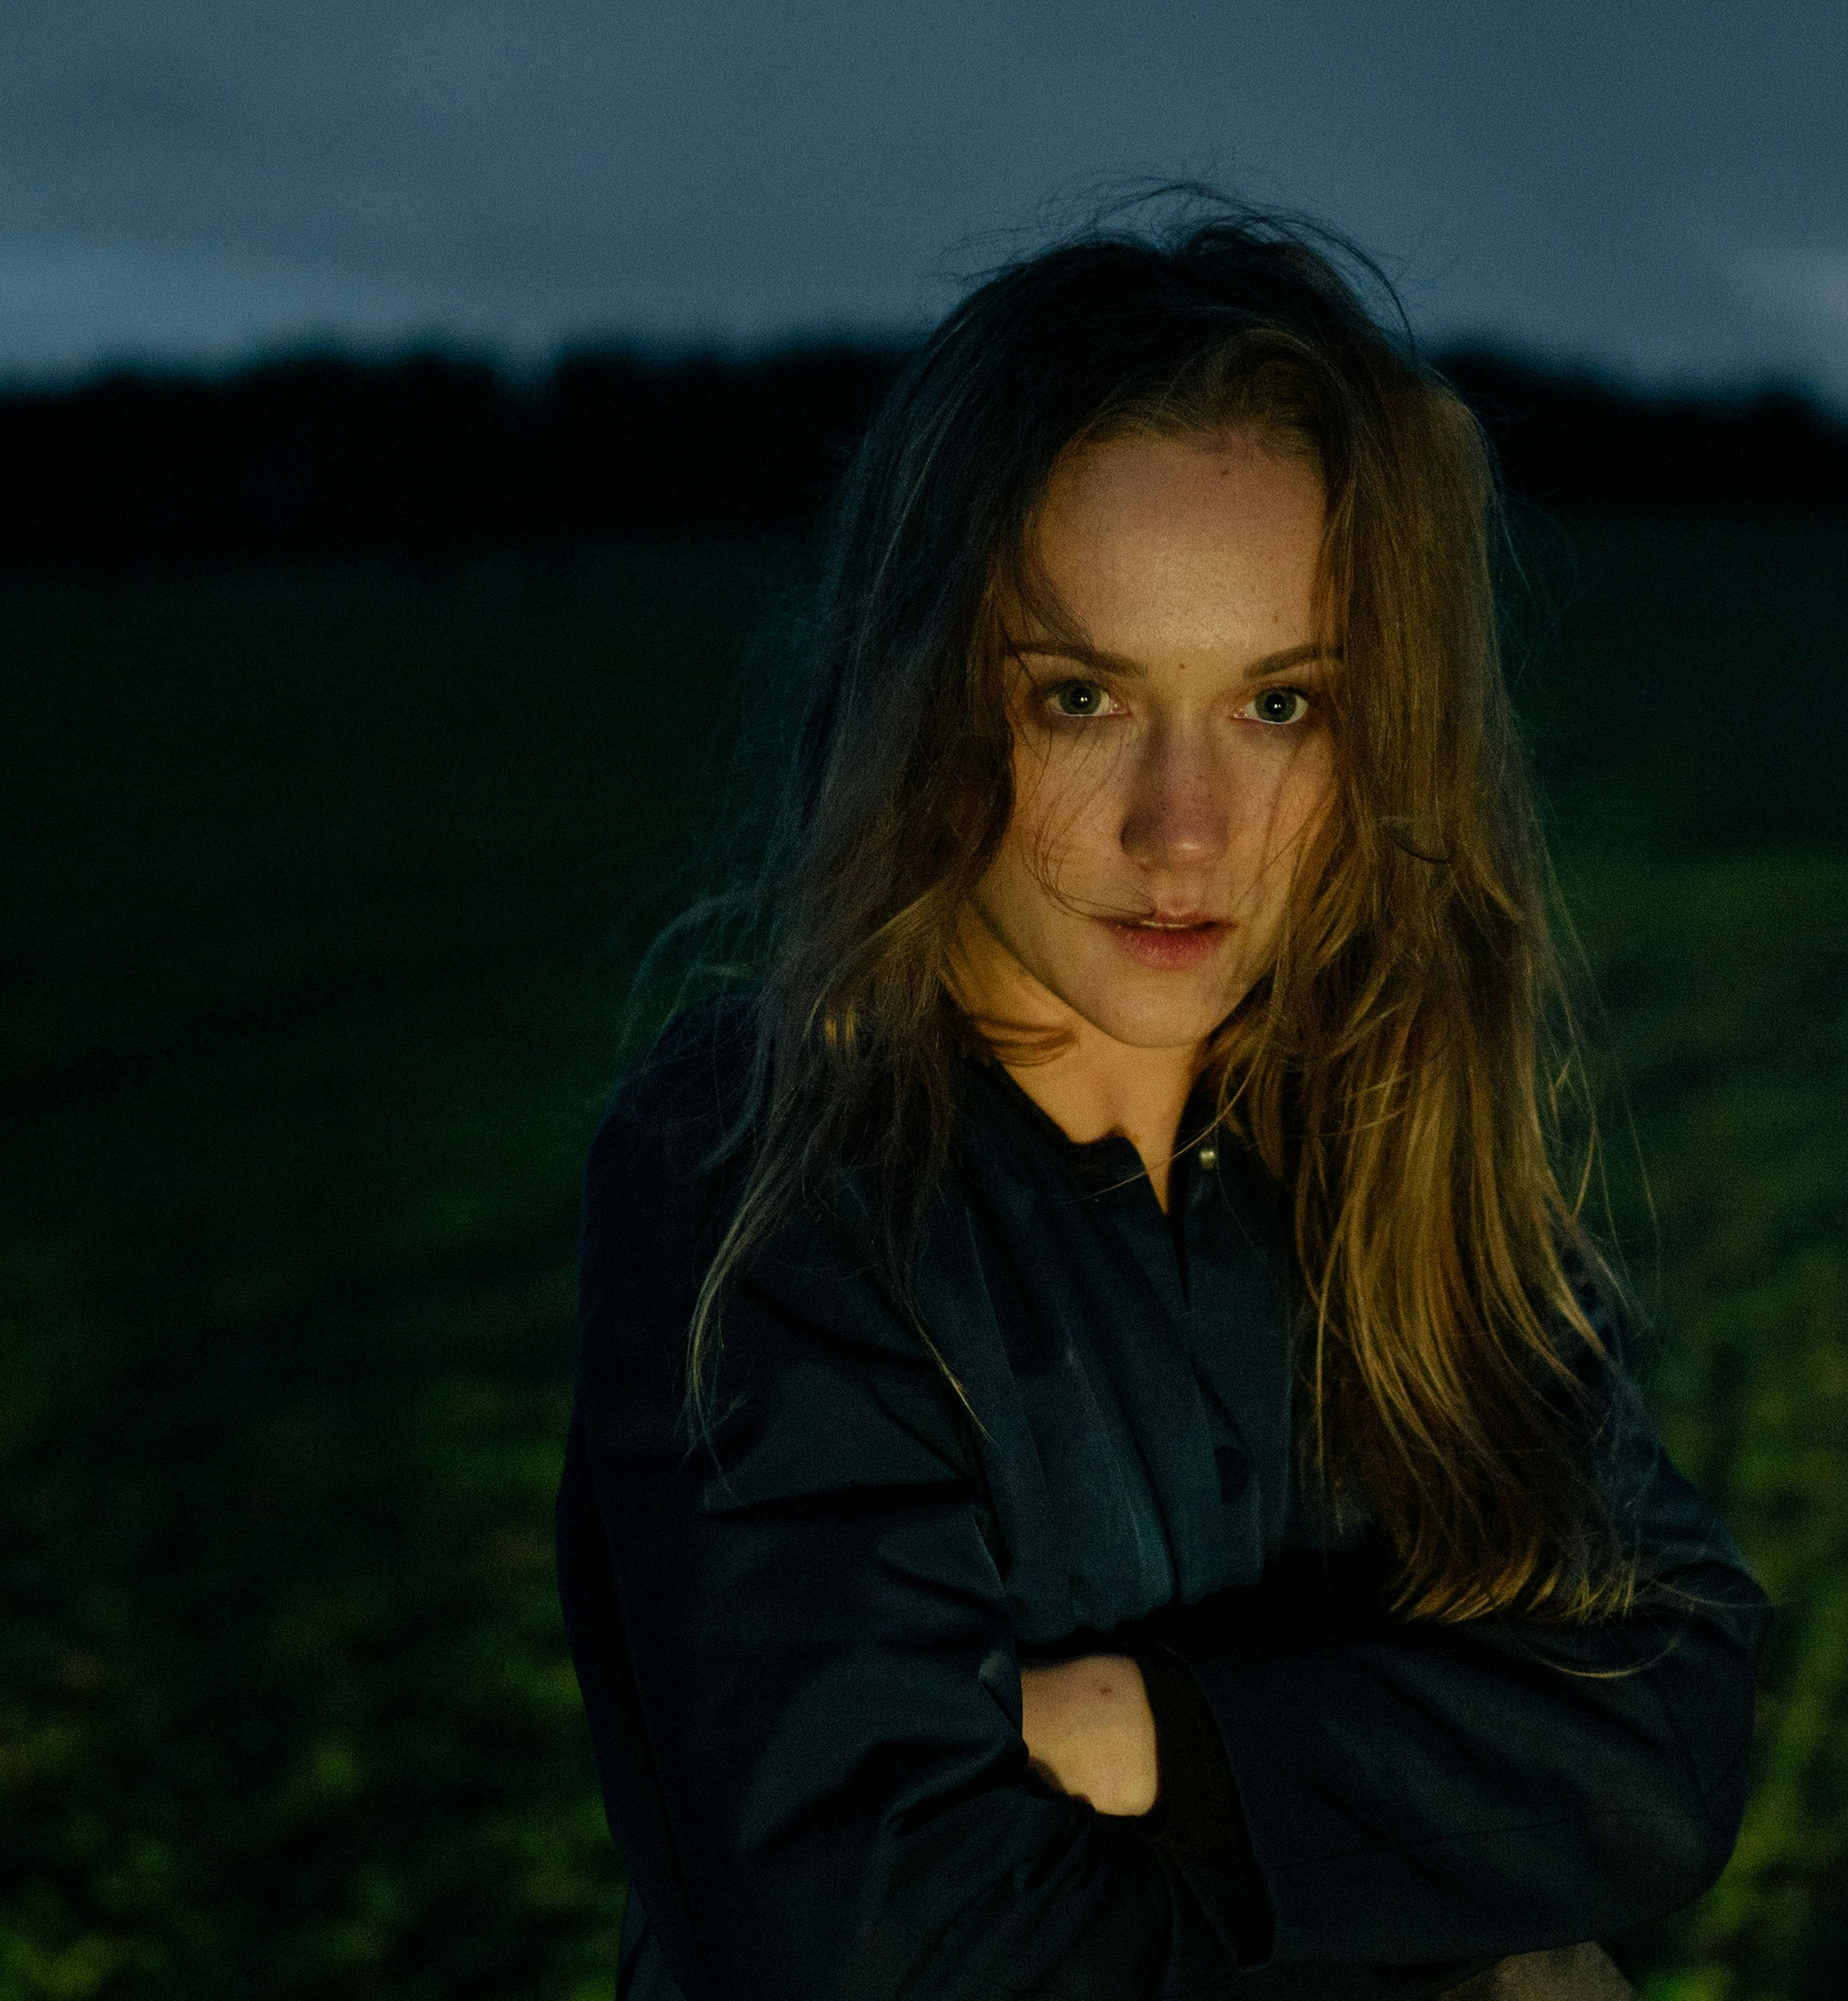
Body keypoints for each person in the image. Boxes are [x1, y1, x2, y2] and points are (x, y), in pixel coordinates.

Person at [555, 197, 1768, 2001]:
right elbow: (878, 1941)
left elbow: (1667, 1729)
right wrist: (1449, 1914)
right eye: (1079, 697)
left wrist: (1151, 1730)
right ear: (924, 698)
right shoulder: (759, 1160)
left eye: (1278, 703)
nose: (1182, 829)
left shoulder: (1386, 1133)